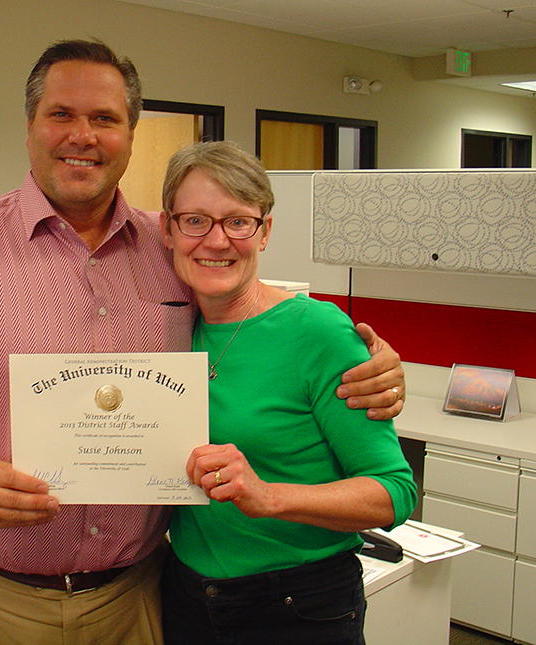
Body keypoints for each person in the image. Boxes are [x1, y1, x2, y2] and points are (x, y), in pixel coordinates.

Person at [0, 40, 407, 645]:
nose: (82, 135)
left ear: (130, 135)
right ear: (30, 125)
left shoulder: (173, 254)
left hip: (140, 597)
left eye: (105, 119)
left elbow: (256, 320)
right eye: (61, 114)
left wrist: (375, 364)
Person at [157, 140, 417, 645]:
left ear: (265, 231)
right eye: (195, 221)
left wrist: (271, 497)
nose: (216, 240)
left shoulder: (317, 331)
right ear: (168, 229)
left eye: (238, 221)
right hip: (184, 594)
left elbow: (394, 491)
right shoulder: (169, 326)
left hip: (296, 606)